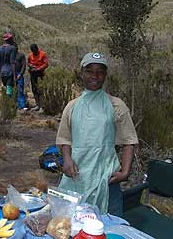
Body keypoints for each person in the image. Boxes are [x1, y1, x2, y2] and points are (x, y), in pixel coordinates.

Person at [56, 52, 138, 217]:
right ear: (82, 73)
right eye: (90, 71)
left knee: (110, 228)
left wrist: (125, 172)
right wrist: (67, 159)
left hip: (106, 181)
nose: (95, 75)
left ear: (105, 75)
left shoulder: (116, 105)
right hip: (76, 178)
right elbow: (65, 138)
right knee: (69, 225)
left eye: (100, 71)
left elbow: (129, 140)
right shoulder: (72, 107)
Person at [27, 44, 48, 111]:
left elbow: (46, 64)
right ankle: (37, 104)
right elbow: (28, 63)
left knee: (40, 90)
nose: (34, 52)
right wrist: (31, 66)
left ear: (37, 49)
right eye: (33, 51)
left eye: (35, 51)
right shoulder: (30, 55)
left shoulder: (43, 54)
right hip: (33, 75)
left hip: (40, 74)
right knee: (34, 89)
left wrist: (38, 69)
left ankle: (42, 106)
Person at [0, 33, 16, 97]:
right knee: (9, 90)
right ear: (9, 40)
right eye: (12, 39)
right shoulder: (12, 48)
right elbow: (12, 62)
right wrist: (15, 75)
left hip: (2, 72)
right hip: (10, 72)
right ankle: (8, 103)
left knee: (6, 88)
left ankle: (7, 103)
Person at [14, 43, 27, 110]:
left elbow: (24, 65)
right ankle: (15, 104)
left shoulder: (21, 55)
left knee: (20, 89)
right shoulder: (10, 56)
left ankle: (22, 105)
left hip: (19, 73)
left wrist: (21, 74)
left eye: (15, 47)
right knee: (12, 90)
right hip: (12, 74)